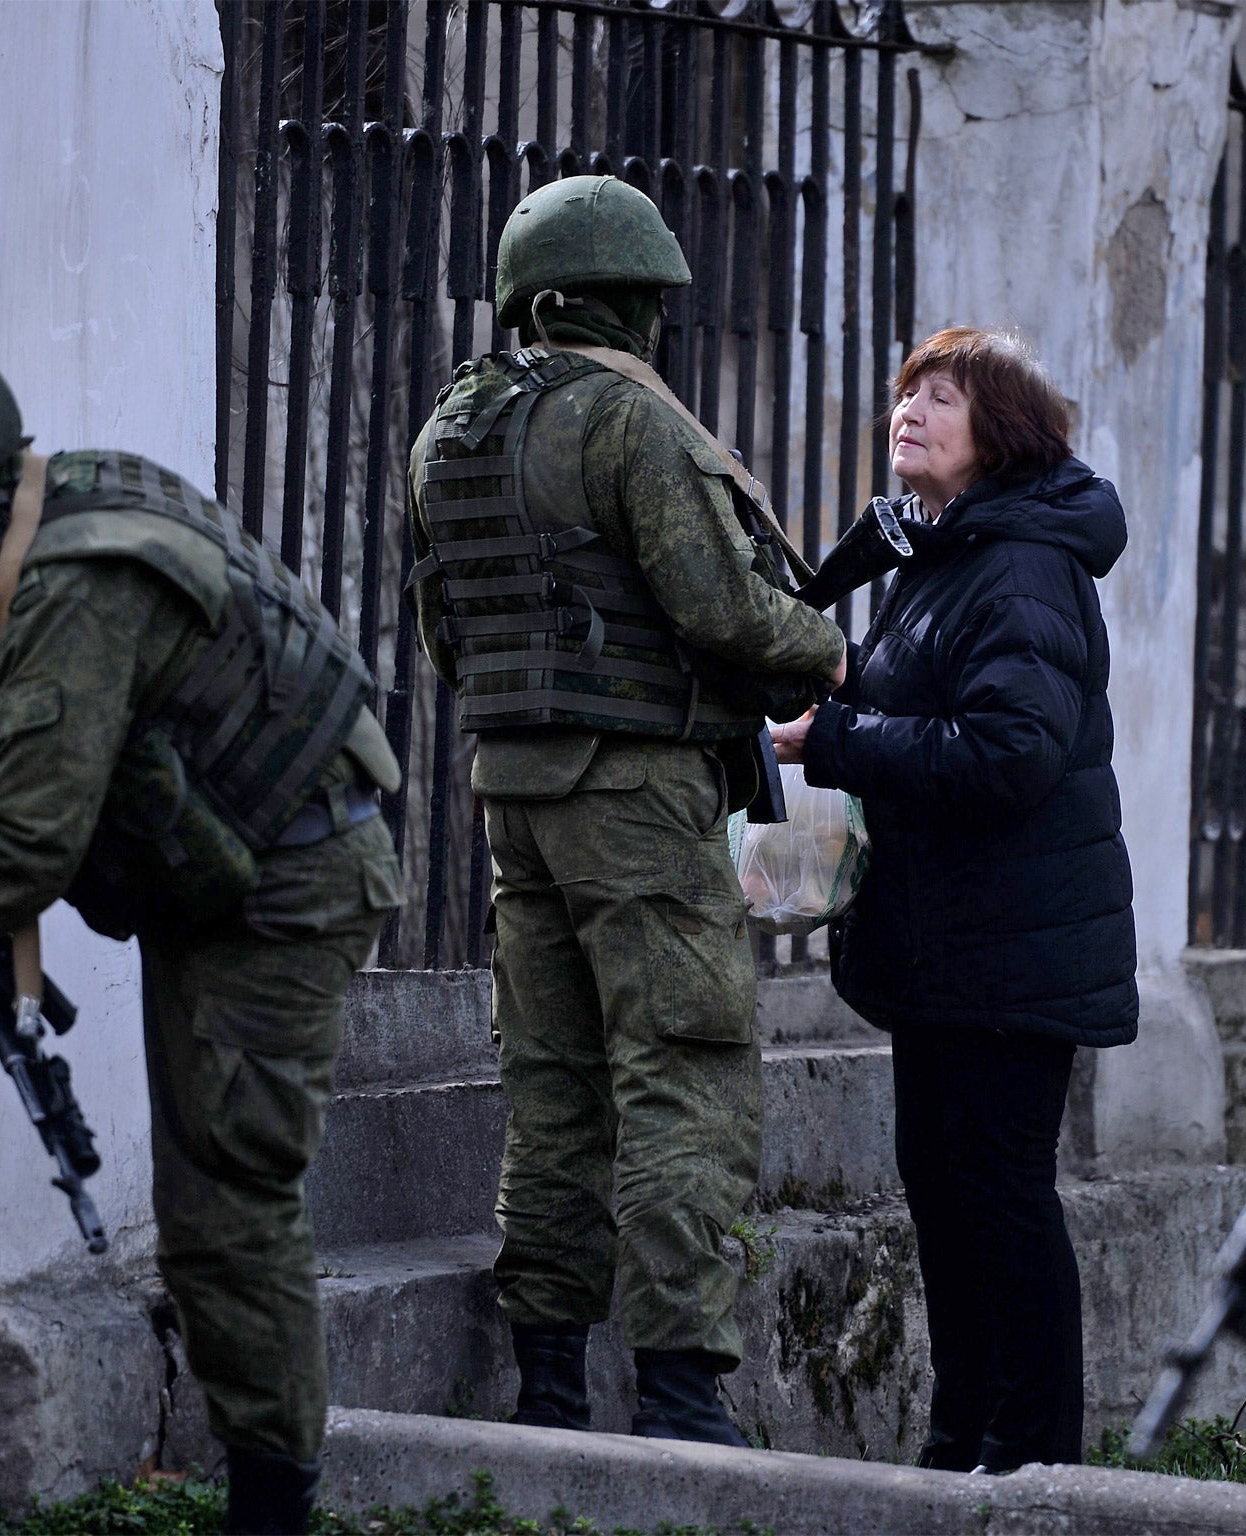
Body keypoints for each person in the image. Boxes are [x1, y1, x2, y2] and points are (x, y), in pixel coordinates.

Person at [0, 318, 402, 1536]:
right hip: (209, 862)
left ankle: (274, 1511)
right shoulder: (10, 530)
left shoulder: (68, 579)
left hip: (288, 884)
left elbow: (24, 855)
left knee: (224, 1208)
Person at [406, 175, 846, 1445]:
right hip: (639, 790)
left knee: (551, 1083)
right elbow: (719, 606)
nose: (657, 323)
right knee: (681, 1067)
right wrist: (826, 650)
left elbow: (444, 627)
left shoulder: (453, 430)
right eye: (648, 301)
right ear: (620, 302)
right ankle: (678, 1393)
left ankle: (547, 1384)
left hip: (512, 787)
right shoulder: (627, 422)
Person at [773, 327, 1139, 1473]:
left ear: (1003, 432)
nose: (909, 414)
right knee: (947, 1206)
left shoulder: (1021, 565)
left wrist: (836, 737)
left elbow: (1007, 754)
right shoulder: (947, 557)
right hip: (952, 954)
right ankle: (958, 1450)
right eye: (904, 397)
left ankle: (1028, 1462)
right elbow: (920, 703)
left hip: (1012, 955)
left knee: (1000, 1207)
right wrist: (836, 685)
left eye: (941, 398)